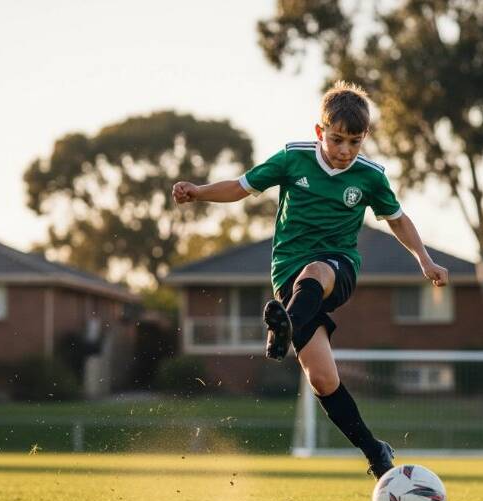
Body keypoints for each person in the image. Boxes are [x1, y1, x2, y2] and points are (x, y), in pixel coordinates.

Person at [172, 81, 449, 479]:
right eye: (337, 140)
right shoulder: (292, 159)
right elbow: (240, 186)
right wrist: (198, 192)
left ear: (364, 138)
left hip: (339, 268)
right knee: (322, 378)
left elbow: (398, 220)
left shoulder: (370, 177)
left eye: (355, 142)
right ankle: (376, 452)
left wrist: (424, 260)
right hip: (288, 277)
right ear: (320, 132)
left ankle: (282, 328)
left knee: (317, 270)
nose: (344, 151)